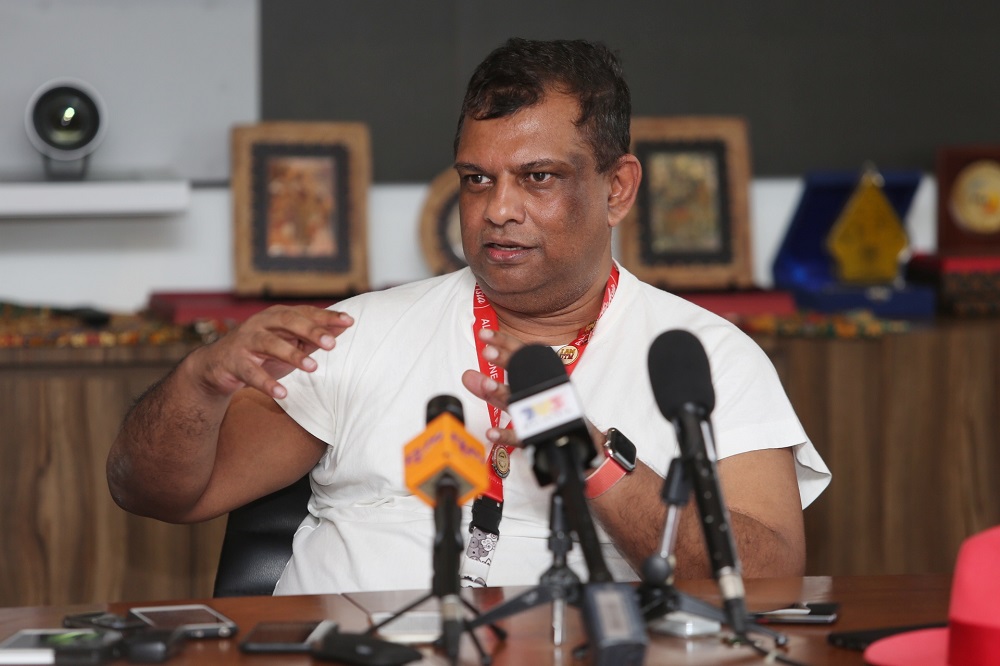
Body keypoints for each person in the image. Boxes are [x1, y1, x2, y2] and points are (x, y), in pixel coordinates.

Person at [107, 38, 830, 595]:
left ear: (618, 188)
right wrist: (198, 385)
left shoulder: (706, 358)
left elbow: (769, 577)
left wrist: (589, 460)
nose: (499, 209)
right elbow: (154, 491)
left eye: (537, 177)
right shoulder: (355, 334)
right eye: (477, 179)